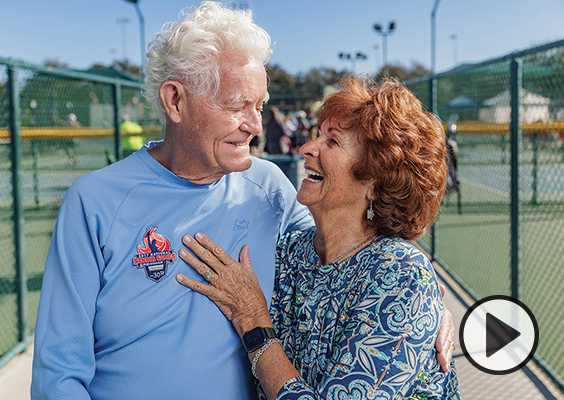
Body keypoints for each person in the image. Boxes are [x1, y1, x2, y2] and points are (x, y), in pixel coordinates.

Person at [31, 3, 453, 399]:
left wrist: (422, 301)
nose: (254, 125)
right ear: (175, 100)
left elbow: (354, 248)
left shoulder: (268, 188)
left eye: (260, 105)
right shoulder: (95, 202)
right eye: (236, 105)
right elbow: (59, 373)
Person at [175, 76, 461, 399]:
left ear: (376, 182)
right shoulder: (291, 252)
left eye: (333, 142)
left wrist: (254, 323)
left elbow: (252, 320)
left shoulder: (402, 275)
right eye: (318, 136)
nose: (308, 148)